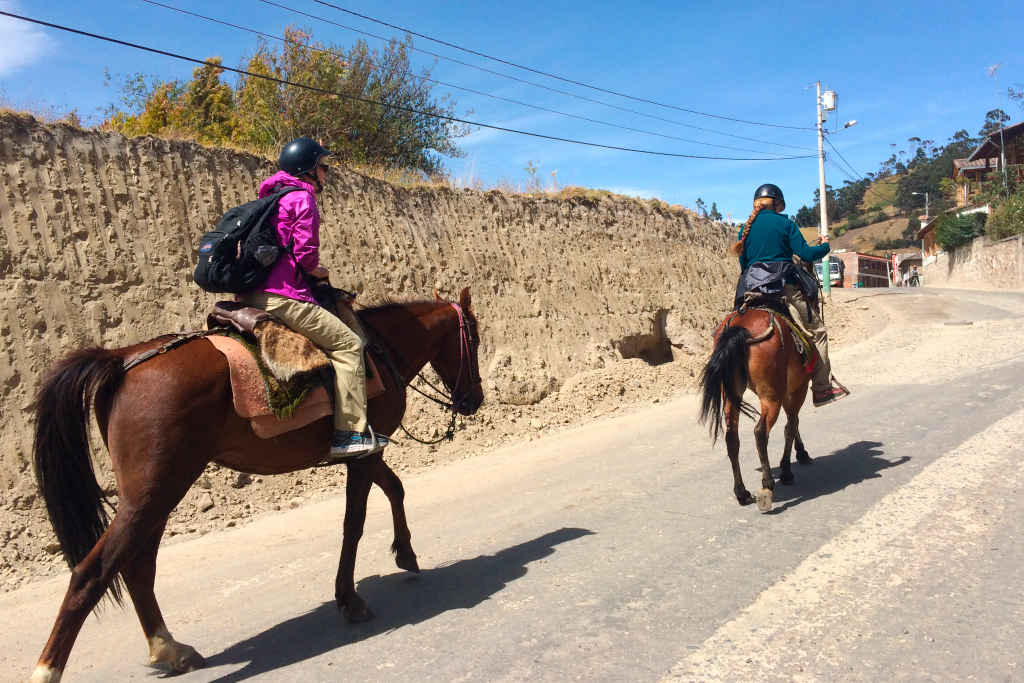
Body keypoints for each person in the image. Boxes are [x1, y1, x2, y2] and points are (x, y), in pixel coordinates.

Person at [239, 138, 388, 457]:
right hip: (283, 295)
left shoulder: (267, 200)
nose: (325, 173)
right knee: (349, 345)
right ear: (307, 170)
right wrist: (319, 271)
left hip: (250, 295)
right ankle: (348, 435)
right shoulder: (301, 199)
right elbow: (306, 257)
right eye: (323, 166)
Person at [732, 184, 849, 407]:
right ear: (776, 204)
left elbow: (744, 265)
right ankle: (823, 387)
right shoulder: (786, 224)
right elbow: (805, 253)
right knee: (819, 332)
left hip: (751, 289)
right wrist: (824, 246)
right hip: (783, 288)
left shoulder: (744, 230)